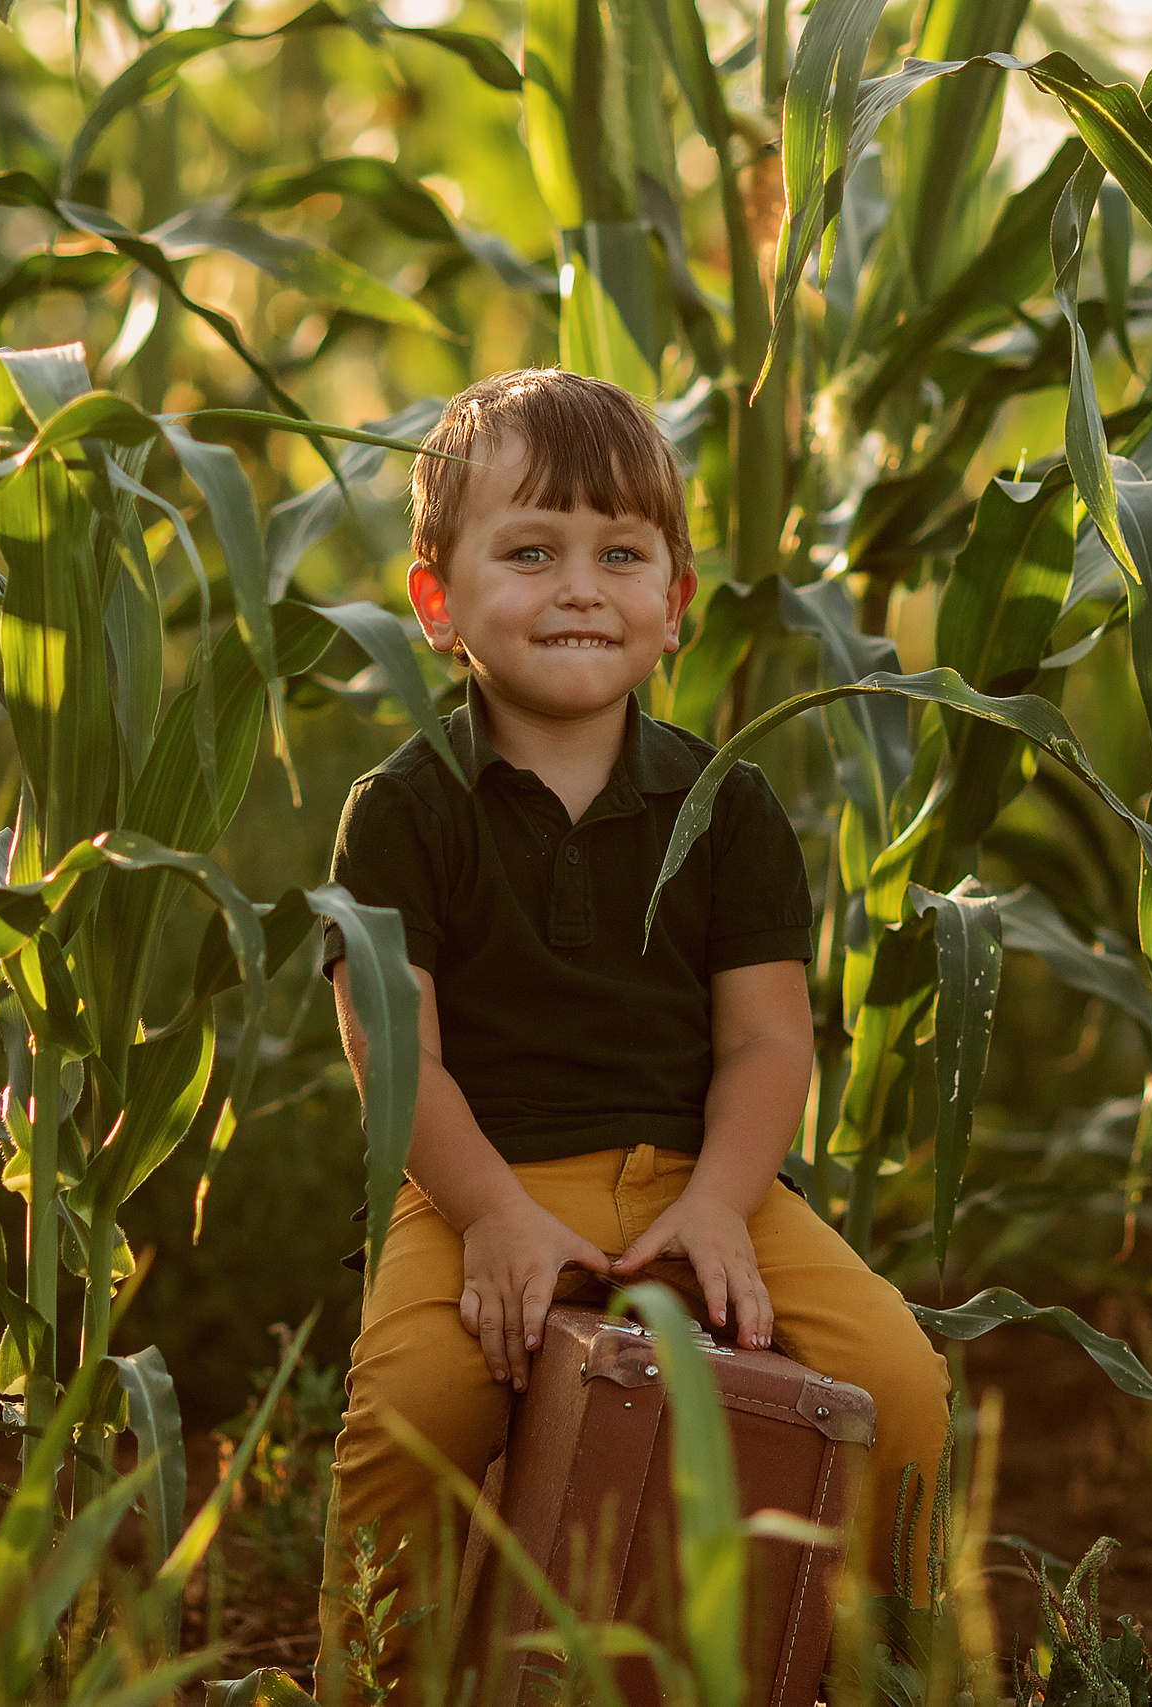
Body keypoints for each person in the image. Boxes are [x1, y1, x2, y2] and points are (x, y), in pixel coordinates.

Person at [314, 368, 952, 1694]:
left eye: (621, 554)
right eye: (529, 551)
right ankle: (383, 1682)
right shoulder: (407, 809)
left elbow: (769, 1046)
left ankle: (865, 1668)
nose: (579, 587)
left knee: (900, 1383)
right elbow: (396, 1056)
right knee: (415, 1415)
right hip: (475, 1187)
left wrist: (723, 1208)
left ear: (678, 605)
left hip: (697, 1182)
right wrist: (491, 1216)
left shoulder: (727, 804)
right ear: (438, 602)